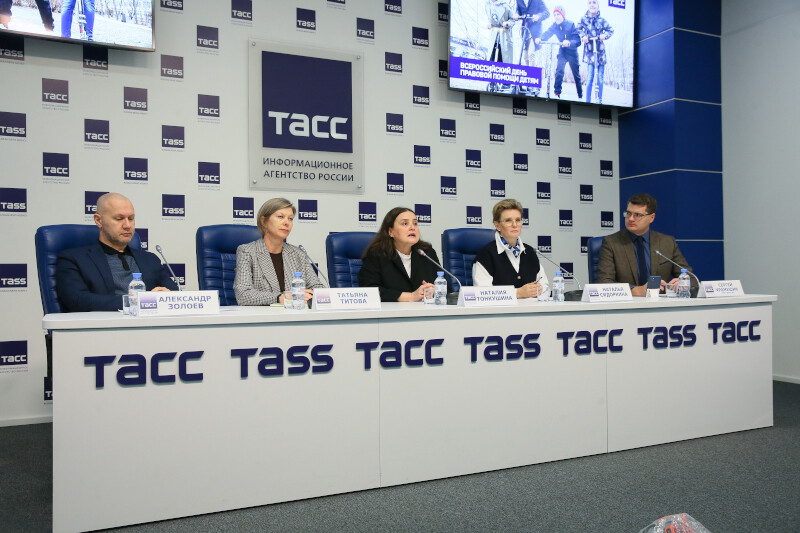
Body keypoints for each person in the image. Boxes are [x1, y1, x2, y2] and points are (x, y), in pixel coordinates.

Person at [56, 193, 177, 312]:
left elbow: (174, 293)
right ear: (98, 220)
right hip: (105, 323)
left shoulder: (150, 259)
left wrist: (166, 296)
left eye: (131, 218)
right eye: (119, 219)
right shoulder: (74, 259)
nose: (127, 225)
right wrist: (138, 301)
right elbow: (77, 300)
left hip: (150, 323)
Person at [597, 193, 696, 297]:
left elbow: (692, 279)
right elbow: (605, 283)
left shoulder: (667, 243)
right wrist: (637, 291)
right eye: (628, 213)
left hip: (660, 304)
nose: (631, 219)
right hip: (627, 303)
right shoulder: (611, 243)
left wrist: (684, 284)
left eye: (638, 215)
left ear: (651, 217)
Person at [234, 198, 323, 306]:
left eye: (290, 219)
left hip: (296, 313)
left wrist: (310, 296)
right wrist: (281, 297)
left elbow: (318, 289)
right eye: (280, 217)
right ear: (264, 221)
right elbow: (243, 294)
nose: (286, 223)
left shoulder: (298, 254)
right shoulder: (247, 252)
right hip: (263, 315)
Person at [359, 207, 449, 302]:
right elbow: (368, 290)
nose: (412, 227)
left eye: (415, 223)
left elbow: (447, 288)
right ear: (391, 232)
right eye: (405, 223)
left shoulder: (427, 253)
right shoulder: (376, 255)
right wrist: (410, 296)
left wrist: (433, 291)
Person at [472, 199, 549, 299]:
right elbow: (482, 293)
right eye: (508, 220)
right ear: (497, 225)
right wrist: (518, 293)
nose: (515, 225)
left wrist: (539, 289)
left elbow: (545, 286)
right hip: (500, 309)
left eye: (518, 220)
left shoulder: (530, 252)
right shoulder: (486, 255)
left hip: (531, 308)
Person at [535, 5, 582, 99]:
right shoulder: (555, 25)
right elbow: (548, 33)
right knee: (559, 70)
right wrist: (540, 38)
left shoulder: (571, 24)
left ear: (563, 15)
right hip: (563, 51)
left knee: (576, 74)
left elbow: (578, 41)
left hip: (572, 52)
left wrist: (569, 42)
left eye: (558, 14)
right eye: (555, 15)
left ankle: (580, 94)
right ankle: (557, 93)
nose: (556, 17)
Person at [577, 0, 613, 104]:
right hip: (590, 52)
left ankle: (599, 101)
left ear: (598, 5)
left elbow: (610, 30)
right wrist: (583, 36)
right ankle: (587, 101)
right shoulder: (584, 19)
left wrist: (604, 35)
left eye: (594, 2)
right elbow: (578, 29)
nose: (592, 5)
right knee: (590, 77)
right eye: (590, 3)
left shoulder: (602, 20)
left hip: (600, 51)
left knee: (600, 77)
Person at [513, 0, 549, 68]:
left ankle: (533, 73)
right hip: (525, 31)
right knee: (525, 56)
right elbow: (518, 10)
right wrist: (516, 14)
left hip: (535, 31)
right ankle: (528, 73)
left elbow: (547, 12)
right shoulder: (519, 1)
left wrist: (538, 16)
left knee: (531, 54)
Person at [485, 0, 516, 66]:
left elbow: (512, 19)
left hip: (504, 36)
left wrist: (507, 24)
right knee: (491, 59)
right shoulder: (488, 4)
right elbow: (489, 18)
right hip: (494, 35)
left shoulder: (505, 5)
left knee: (502, 60)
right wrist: (489, 24)